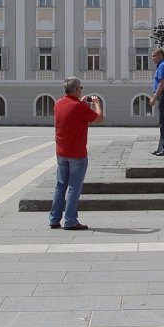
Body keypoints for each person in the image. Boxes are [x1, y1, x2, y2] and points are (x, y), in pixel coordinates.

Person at [50, 77, 103, 230]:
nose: (82, 90)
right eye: (81, 88)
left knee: (60, 186)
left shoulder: (58, 103)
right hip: (77, 153)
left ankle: (54, 218)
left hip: (61, 151)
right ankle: (70, 220)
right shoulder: (80, 107)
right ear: (76, 89)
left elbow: (72, 113)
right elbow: (99, 118)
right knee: (74, 187)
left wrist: (82, 103)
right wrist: (97, 104)